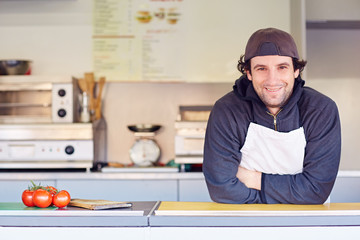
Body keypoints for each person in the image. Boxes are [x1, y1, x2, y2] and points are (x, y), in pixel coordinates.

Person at [203, 28, 341, 204]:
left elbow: (315, 191)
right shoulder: (227, 111)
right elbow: (221, 189)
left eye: (282, 67)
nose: (272, 79)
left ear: (296, 71)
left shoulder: (320, 110)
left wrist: (253, 178)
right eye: (261, 69)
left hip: (309, 223)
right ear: (249, 73)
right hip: (246, 223)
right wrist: (295, 192)